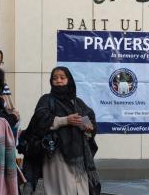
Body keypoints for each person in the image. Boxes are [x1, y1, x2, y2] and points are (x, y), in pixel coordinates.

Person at [20, 66, 101, 195]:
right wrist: (65, 120)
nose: (58, 81)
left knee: (82, 190)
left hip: (79, 157)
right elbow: (39, 120)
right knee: (62, 190)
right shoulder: (47, 100)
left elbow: (88, 119)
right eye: (55, 78)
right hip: (56, 155)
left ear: (69, 80)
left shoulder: (77, 102)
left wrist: (88, 128)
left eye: (62, 78)